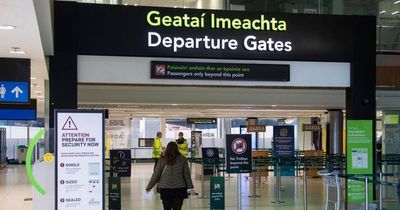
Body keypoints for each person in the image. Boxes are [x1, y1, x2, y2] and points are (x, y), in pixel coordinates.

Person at [146, 142, 194, 210]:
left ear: (167, 149)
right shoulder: (183, 159)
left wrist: (149, 187)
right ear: (177, 148)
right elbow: (187, 175)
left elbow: (156, 175)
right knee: (177, 208)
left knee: (166, 208)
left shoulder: (162, 159)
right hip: (179, 188)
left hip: (165, 188)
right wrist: (190, 188)